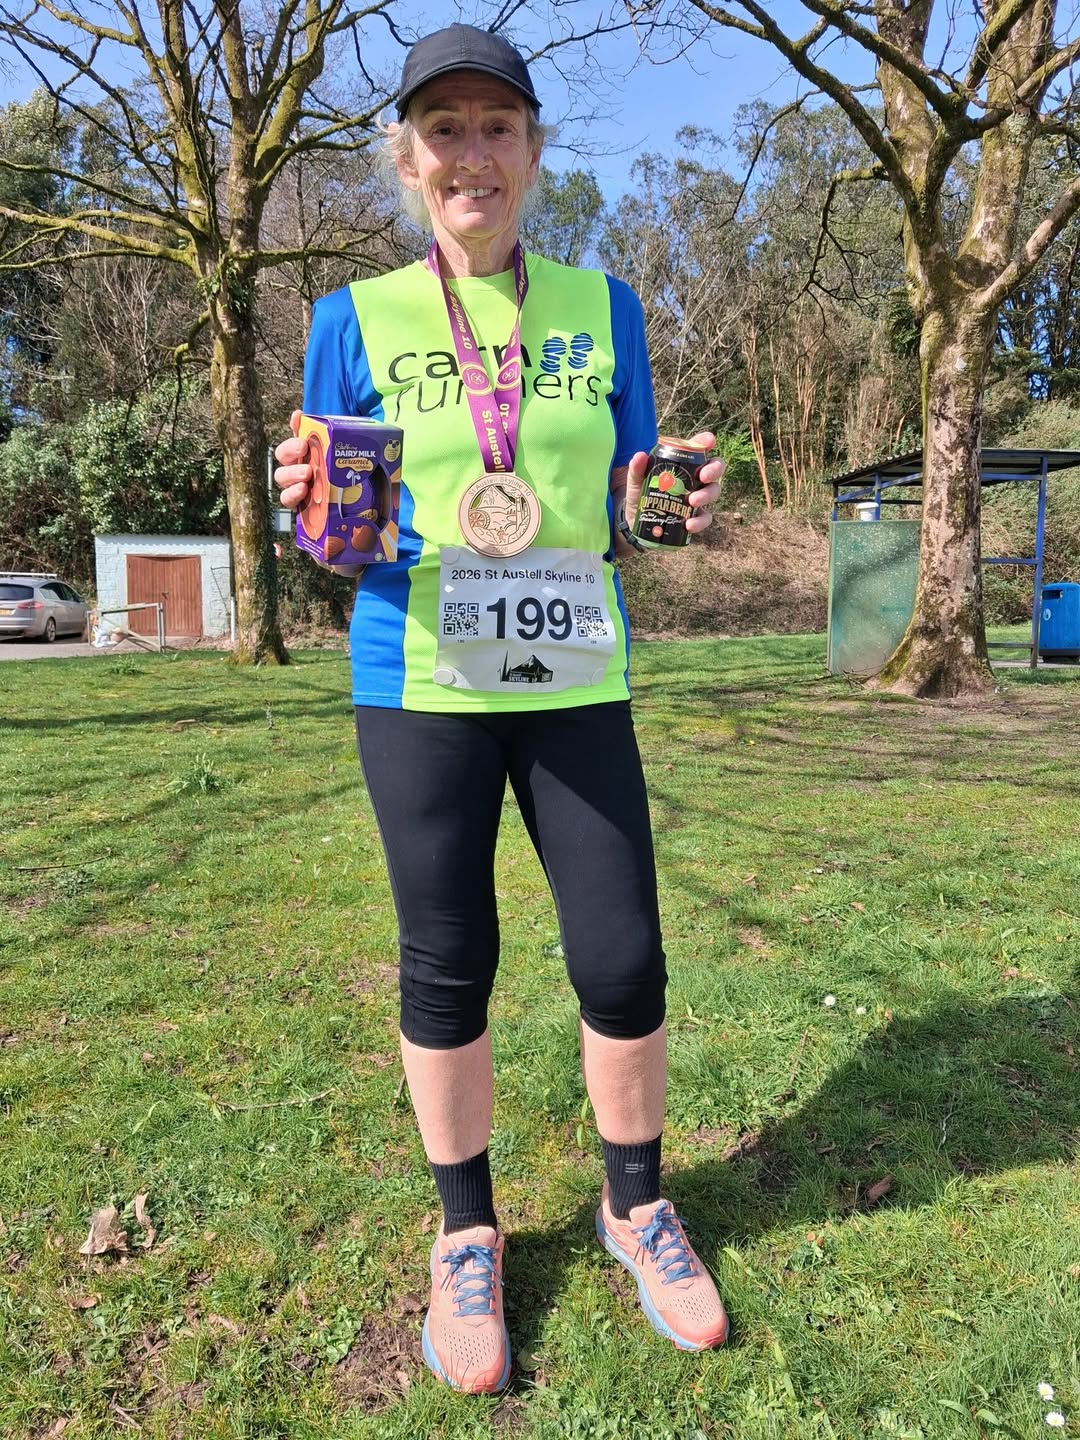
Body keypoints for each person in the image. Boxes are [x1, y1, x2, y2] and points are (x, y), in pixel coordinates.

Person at [274, 23, 729, 1395]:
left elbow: (635, 497)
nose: (473, 153)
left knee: (622, 954)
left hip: (575, 672)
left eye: (497, 127)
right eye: (445, 130)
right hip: (415, 676)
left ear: (533, 151)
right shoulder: (350, 319)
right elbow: (327, 517)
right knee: (444, 957)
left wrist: (677, 503)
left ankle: (635, 1201)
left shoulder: (608, 309)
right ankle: (465, 1231)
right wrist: (315, 523)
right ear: (408, 159)